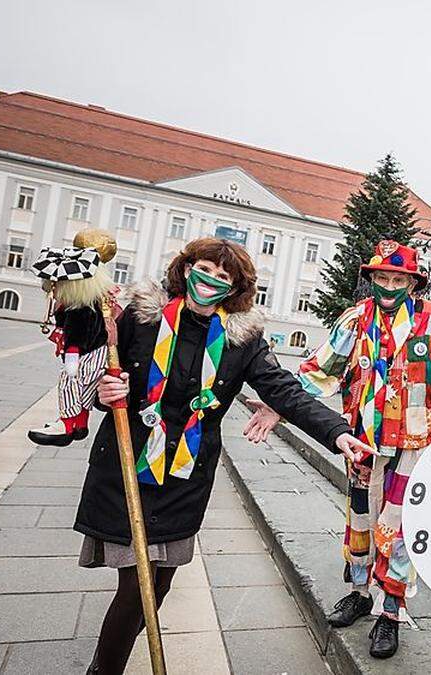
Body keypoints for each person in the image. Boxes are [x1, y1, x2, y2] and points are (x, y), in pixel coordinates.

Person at [76, 238, 370, 674]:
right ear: (187, 267)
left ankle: (114, 653)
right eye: (205, 269)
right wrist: (107, 392)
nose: (210, 281)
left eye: (223, 277)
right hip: (128, 466)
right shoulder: (142, 317)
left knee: (158, 584)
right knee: (136, 586)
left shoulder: (241, 341)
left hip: (185, 478)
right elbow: (93, 357)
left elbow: (283, 389)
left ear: (234, 289)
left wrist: (337, 432)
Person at [246, 240, 431, 659]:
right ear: (372, 279)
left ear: (412, 281)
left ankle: (391, 610)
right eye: (382, 277)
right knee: (361, 520)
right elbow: (319, 369)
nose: (389, 285)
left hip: (416, 442)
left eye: (398, 278)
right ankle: (359, 592)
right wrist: (278, 405)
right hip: (363, 440)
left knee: (400, 527)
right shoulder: (355, 318)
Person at [27, 229, 118, 447]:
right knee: (85, 388)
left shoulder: (79, 305)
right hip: (97, 353)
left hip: (86, 354)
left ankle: (67, 424)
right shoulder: (91, 300)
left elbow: (79, 332)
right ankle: (79, 423)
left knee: (69, 382)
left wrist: (72, 354)